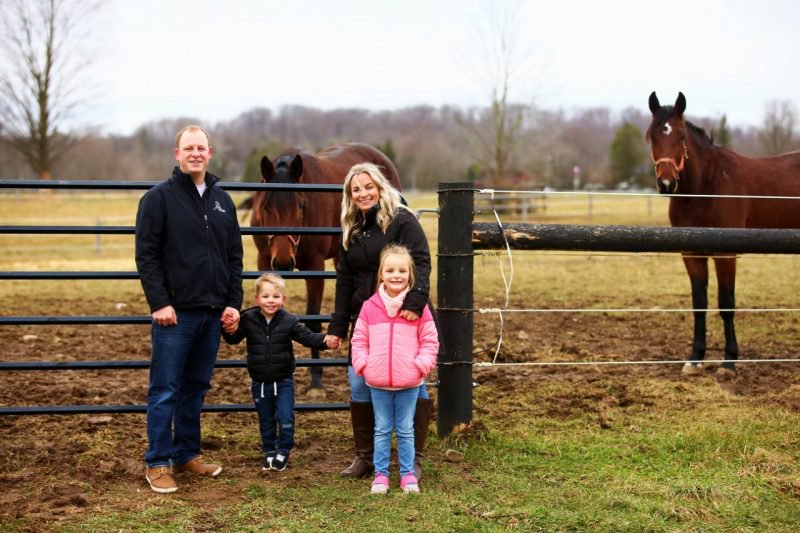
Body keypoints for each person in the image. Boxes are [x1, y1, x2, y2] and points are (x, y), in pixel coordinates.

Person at [135, 125, 243, 494]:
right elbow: (146, 256)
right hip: (175, 313)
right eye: (188, 148)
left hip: (212, 313)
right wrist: (159, 302)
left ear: (210, 153)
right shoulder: (158, 199)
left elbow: (234, 257)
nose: (195, 153)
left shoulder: (222, 201)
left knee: (196, 387)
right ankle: (158, 462)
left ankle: (185, 454)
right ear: (176, 153)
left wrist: (232, 302)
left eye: (201, 147)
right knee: (165, 387)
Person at [328, 162, 436, 480]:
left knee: (414, 384)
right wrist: (338, 325)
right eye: (355, 189)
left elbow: (422, 262)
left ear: (379, 186)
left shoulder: (402, 220)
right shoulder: (352, 227)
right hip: (368, 317)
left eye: (367, 186)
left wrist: (415, 304)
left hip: (406, 314)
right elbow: (344, 279)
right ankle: (364, 458)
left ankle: (412, 457)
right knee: (359, 383)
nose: (362, 193)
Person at [222, 273, 338, 472]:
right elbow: (233, 339)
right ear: (257, 299)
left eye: (276, 297)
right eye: (266, 297)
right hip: (259, 381)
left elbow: (307, 337)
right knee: (265, 419)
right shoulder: (248, 319)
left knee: (285, 418)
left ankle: (283, 450)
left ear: (283, 299)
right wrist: (225, 327)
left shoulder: (288, 321)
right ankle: (269, 451)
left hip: (284, 381)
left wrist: (326, 341)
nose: (270, 301)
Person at [351, 244, 439, 494]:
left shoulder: (417, 308)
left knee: (405, 429)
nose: (396, 275)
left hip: (409, 382)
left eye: (402, 270)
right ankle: (381, 475)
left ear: (410, 274)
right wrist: (364, 364)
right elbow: (359, 339)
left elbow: (430, 340)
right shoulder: (370, 307)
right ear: (381, 274)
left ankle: (408, 475)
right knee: (381, 429)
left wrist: (420, 365)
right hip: (377, 382)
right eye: (390, 270)